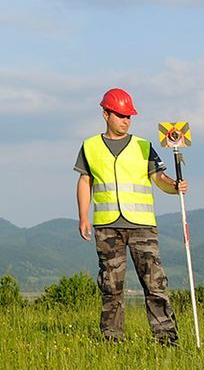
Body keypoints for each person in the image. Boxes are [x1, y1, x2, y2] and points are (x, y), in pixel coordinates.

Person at [74, 87, 187, 345]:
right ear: (106, 114)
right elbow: (84, 180)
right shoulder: (90, 146)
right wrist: (83, 216)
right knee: (111, 287)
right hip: (107, 226)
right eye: (121, 115)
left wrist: (175, 186)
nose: (126, 121)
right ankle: (112, 340)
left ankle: (166, 340)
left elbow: (159, 178)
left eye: (129, 116)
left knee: (155, 284)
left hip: (142, 226)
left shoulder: (143, 146)